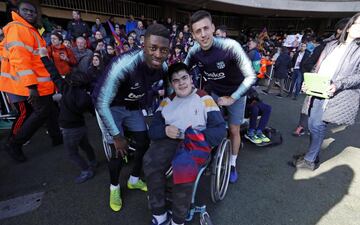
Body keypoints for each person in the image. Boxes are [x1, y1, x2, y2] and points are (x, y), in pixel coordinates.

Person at [93, 24, 170, 212]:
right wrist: (117, 136)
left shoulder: (164, 67)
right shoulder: (124, 65)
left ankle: (134, 180)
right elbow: (101, 103)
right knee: (118, 152)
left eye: (163, 50)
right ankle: (114, 187)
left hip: (133, 107)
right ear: (143, 45)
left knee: (143, 142)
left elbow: (168, 93)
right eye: (153, 48)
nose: (158, 55)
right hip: (110, 108)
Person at [143, 62, 226, 225]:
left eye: (184, 78)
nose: (181, 82)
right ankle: (159, 215)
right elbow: (153, 129)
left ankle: (177, 220)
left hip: (195, 141)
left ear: (190, 79)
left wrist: (198, 136)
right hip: (170, 140)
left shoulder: (204, 98)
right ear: (172, 84)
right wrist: (165, 130)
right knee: (150, 161)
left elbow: (219, 129)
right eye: (176, 80)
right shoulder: (167, 101)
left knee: (183, 168)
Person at [185, 10, 257, 183]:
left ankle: (232, 163)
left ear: (213, 28)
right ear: (193, 35)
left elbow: (251, 76)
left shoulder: (230, 47)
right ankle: (207, 155)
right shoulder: (194, 51)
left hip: (236, 92)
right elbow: (182, 71)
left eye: (206, 29)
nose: (203, 35)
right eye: (198, 31)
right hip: (215, 90)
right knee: (205, 123)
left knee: (233, 130)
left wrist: (233, 97)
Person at [293, 12, 360, 171]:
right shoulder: (332, 45)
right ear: (349, 26)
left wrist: (338, 84)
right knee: (311, 123)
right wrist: (308, 83)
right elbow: (318, 67)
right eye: (358, 24)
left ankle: (310, 160)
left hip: (336, 93)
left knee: (317, 125)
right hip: (318, 88)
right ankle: (311, 155)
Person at [0, 0, 62, 162]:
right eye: (26, 11)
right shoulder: (18, 28)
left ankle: (57, 137)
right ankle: (14, 143)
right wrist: (31, 87)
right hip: (32, 85)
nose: (30, 13)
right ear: (18, 12)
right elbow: (21, 60)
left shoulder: (30, 30)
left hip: (40, 83)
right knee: (41, 113)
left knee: (49, 111)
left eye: (33, 11)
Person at [39, 47, 97, 183]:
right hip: (81, 126)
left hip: (69, 129)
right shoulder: (86, 97)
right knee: (85, 145)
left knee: (72, 153)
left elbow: (54, 74)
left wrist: (43, 57)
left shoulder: (66, 90)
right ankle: (93, 161)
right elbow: (94, 112)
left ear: (72, 81)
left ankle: (86, 171)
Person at [292, 17, 349, 137]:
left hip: (334, 84)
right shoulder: (327, 45)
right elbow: (308, 63)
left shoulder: (351, 48)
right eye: (347, 29)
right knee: (312, 107)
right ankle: (303, 128)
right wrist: (312, 77)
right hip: (320, 81)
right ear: (339, 30)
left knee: (317, 110)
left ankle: (307, 129)